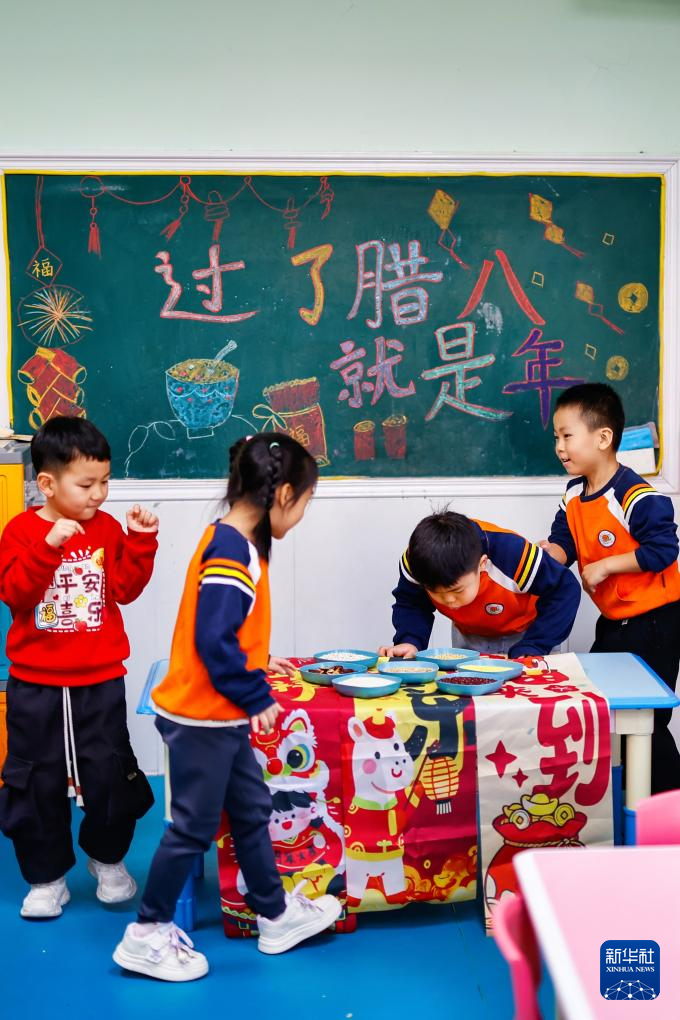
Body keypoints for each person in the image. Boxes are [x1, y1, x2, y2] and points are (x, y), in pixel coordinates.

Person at [114, 434, 341, 982]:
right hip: (202, 717)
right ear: (282, 494)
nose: (301, 516)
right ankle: (146, 933)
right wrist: (254, 693)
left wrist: (258, 665)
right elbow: (213, 639)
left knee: (251, 808)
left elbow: (230, 629)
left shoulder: (231, 538)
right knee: (192, 828)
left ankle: (275, 916)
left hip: (219, 714)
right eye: (305, 503)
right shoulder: (231, 550)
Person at [0, 416, 158, 918]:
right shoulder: (20, 530)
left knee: (112, 774)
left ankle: (107, 858)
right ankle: (46, 877)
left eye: (105, 482)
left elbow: (125, 590)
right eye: (86, 484)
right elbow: (15, 593)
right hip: (35, 684)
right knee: (34, 780)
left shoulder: (106, 528)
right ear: (47, 484)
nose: (98, 494)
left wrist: (140, 541)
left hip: (99, 679)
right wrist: (48, 547)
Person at [543, 382, 680, 793]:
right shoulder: (573, 492)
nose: (560, 447)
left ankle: (666, 807)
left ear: (603, 438)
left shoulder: (634, 495)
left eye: (567, 436)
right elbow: (563, 543)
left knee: (646, 720)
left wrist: (606, 566)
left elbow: (663, 550)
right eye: (556, 437)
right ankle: (622, 800)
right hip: (615, 621)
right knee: (601, 708)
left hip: (656, 622)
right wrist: (538, 557)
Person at [380, 510, 580, 660]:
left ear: (482, 564)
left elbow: (565, 589)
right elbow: (412, 603)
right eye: (435, 592)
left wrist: (536, 644)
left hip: (528, 632)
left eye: (457, 590)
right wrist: (410, 640)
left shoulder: (512, 553)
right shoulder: (416, 562)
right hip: (470, 636)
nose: (449, 601)